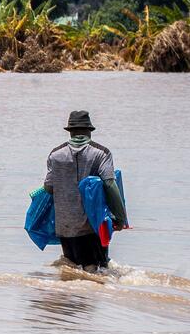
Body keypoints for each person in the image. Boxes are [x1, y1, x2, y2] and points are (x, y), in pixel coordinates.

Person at [43, 111, 128, 271]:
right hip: (91, 227)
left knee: (71, 271)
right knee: (96, 274)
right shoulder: (101, 153)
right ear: (89, 130)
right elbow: (110, 185)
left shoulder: (55, 155)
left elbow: (48, 187)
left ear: (70, 131)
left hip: (65, 227)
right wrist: (121, 218)